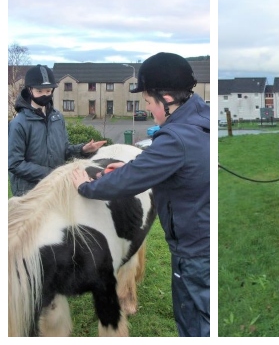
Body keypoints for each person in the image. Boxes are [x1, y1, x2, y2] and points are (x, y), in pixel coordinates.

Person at [70, 52, 210, 337]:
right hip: (203, 238)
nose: (147, 109)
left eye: (148, 102)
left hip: (194, 250)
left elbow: (127, 183)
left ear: (167, 99)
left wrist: (86, 186)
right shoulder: (200, 118)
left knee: (196, 324)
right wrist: (130, 165)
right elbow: (172, 164)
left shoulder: (175, 137)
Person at [8, 64, 106, 197]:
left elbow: (64, 151)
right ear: (29, 90)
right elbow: (15, 163)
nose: (44, 95)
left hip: (55, 188)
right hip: (29, 193)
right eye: (39, 91)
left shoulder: (57, 117)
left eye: (48, 91)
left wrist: (83, 149)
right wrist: (51, 174)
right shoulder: (18, 123)